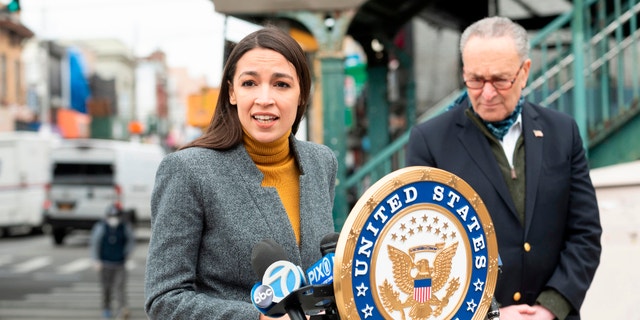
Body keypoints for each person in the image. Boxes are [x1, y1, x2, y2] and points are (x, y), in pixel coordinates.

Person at [406, 16, 602, 320]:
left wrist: (551, 307)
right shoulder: (429, 141)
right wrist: (491, 312)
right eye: (475, 79)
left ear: (524, 72)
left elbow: (584, 234)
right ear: (463, 72)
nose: (487, 93)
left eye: (500, 80)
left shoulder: (563, 132)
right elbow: (424, 247)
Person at [144, 26, 338, 320]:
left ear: (302, 94)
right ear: (232, 92)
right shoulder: (187, 171)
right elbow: (164, 299)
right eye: (249, 83)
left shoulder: (321, 162)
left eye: (281, 84)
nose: (264, 98)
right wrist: (255, 318)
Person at [90, 204, 135, 320]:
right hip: (105, 263)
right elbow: (95, 244)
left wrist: (127, 254)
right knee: (106, 288)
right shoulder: (101, 227)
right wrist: (96, 260)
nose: (114, 219)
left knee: (120, 287)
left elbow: (131, 241)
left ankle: (122, 309)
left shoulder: (125, 227)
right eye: (111, 216)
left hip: (120, 263)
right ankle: (106, 308)